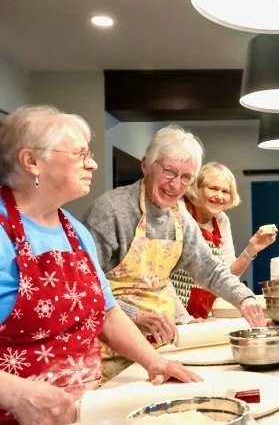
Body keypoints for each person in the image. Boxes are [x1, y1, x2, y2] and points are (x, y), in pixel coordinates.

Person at [0, 106, 200, 424]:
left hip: (87, 408)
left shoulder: (74, 232)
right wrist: (13, 393)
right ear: (31, 161)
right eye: (81, 154)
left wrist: (154, 362)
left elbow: (106, 313)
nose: (92, 163)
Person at [83, 125, 266, 380]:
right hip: (110, 352)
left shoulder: (179, 218)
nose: (176, 185)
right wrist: (134, 314)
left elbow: (211, 269)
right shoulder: (111, 211)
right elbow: (84, 288)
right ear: (145, 164)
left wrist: (245, 299)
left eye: (186, 177)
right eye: (169, 171)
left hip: (161, 349)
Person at [170, 162, 277, 308]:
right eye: (213, 188)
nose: (219, 196)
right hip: (170, 306)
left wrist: (251, 249)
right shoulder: (179, 210)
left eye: (225, 191)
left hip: (201, 309)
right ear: (198, 188)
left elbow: (229, 274)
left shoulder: (221, 220)